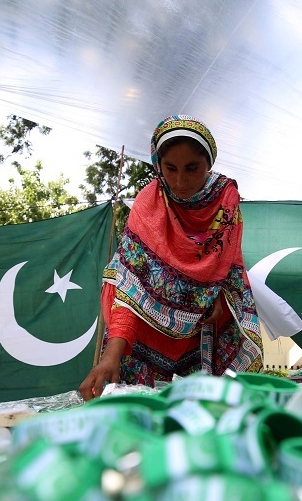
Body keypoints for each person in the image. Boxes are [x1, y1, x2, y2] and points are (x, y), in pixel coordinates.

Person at [78, 115, 263, 400]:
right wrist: (110, 357)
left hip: (201, 336)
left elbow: (228, 269)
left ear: (209, 164)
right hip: (143, 339)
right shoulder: (148, 204)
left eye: (192, 168)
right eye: (170, 168)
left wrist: (218, 294)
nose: (180, 181)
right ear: (158, 165)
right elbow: (130, 290)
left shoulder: (225, 204)